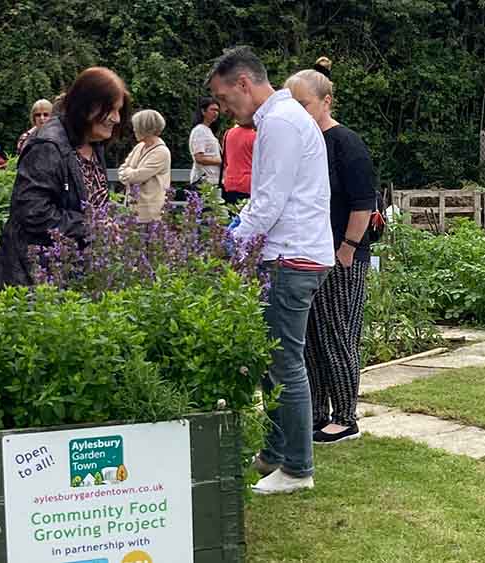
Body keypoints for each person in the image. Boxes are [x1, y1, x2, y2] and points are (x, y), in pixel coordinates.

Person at [208, 46, 332, 495]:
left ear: (244, 83)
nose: (224, 111)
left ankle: (298, 469)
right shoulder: (280, 120)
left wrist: (230, 241)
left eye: (225, 100)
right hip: (290, 254)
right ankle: (275, 455)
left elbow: (268, 203)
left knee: (284, 364)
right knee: (271, 362)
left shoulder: (279, 122)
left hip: (290, 257)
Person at [286, 68, 378, 445]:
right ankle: (318, 413)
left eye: (304, 104)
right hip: (309, 255)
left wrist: (347, 249)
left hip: (342, 256)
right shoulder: (301, 143)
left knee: (338, 336)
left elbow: (362, 203)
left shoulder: (345, 143)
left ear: (326, 102)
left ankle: (345, 416)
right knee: (312, 338)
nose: (299, 112)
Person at [0, 68, 128, 289]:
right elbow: (32, 212)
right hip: (39, 277)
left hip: (77, 272)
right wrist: (92, 226)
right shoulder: (47, 146)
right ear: (86, 107)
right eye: (110, 110)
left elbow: (89, 200)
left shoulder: (93, 144)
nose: (116, 118)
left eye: (118, 110)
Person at [118, 109, 171, 221]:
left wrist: (128, 172)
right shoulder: (139, 147)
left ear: (145, 128)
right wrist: (129, 173)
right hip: (132, 208)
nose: (134, 129)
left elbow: (137, 177)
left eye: (136, 126)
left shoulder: (161, 152)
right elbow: (122, 169)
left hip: (150, 213)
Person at [189, 97, 223, 189]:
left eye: (217, 110)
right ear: (203, 111)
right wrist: (221, 161)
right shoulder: (199, 130)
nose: (216, 113)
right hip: (203, 183)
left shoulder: (209, 131)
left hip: (212, 182)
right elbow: (199, 158)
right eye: (212, 110)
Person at [222, 123, 257, 205]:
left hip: (229, 182)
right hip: (247, 185)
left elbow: (225, 161)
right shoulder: (255, 137)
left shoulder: (228, 133)